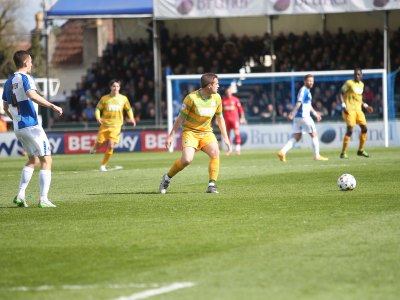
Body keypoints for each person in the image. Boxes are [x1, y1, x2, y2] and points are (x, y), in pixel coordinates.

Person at [2, 50, 64, 208]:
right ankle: (44, 199)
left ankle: (21, 195)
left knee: (33, 160)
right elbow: (32, 95)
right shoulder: (26, 78)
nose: (31, 65)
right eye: (30, 62)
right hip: (32, 126)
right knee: (47, 159)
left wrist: (15, 117)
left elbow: (5, 106)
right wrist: (52, 105)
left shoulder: (8, 82)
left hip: (19, 127)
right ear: (25, 63)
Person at [159, 73, 231, 194]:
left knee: (215, 153)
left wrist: (226, 138)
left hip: (206, 132)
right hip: (190, 132)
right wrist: (171, 135)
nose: (218, 86)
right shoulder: (191, 98)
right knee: (187, 160)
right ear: (209, 86)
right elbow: (180, 118)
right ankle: (167, 178)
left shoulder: (217, 98)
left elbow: (220, 118)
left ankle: (212, 185)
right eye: (216, 84)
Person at [277, 74, 328, 162]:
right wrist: (292, 113)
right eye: (309, 81)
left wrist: (315, 114)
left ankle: (282, 152)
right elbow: (299, 103)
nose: (311, 82)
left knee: (297, 136)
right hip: (303, 116)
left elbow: (308, 105)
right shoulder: (303, 90)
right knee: (314, 134)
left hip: (298, 118)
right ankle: (317, 155)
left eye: (312, 81)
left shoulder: (307, 91)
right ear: (305, 81)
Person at [90, 79, 136, 171]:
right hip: (105, 126)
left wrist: (132, 118)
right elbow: (98, 109)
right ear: (110, 87)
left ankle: (103, 165)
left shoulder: (123, 99)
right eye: (114, 86)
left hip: (116, 126)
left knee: (111, 146)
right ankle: (94, 147)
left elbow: (129, 109)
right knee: (99, 144)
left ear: (120, 87)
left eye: (117, 86)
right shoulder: (104, 99)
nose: (116, 88)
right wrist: (98, 118)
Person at [339, 68, 374, 159]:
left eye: (358, 74)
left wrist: (366, 106)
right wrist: (343, 106)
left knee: (364, 129)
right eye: (355, 74)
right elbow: (340, 93)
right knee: (350, 130)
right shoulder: (349, 83)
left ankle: (361, 150)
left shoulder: (362, 84)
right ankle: (343, 153)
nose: (357, 76)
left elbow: (359, 99)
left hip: (359, 110)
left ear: (361, 75)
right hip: (349, 110)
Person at [222, 86, 246, 155]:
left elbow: (240, 109)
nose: (228, 93)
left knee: (236, 133)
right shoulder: (223, 101)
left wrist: (242, 117)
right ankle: (229, 149)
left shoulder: (235, 100)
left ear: (231, 92)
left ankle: (238, 149)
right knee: (228, 135)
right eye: (227, 91)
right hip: (227, 119)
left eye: (229, 91)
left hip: (234, 119)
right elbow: (220, 111)